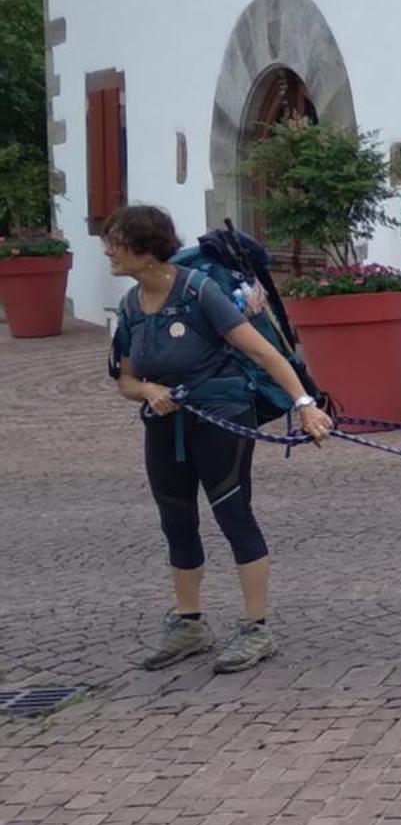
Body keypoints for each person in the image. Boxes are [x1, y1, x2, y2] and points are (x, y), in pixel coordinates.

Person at [104, 203, 333, 673]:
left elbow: (264, 353)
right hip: (166, 422)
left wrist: (304, 406)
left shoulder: (199, 291)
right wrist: (148, 389)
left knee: (232, 513)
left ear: (146, 250)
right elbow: (125, 380)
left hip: (223, 414)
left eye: (117, 243)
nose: (109, 251)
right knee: (176, 519)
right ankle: (189, 625)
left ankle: (256, 629)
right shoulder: (130, 306)